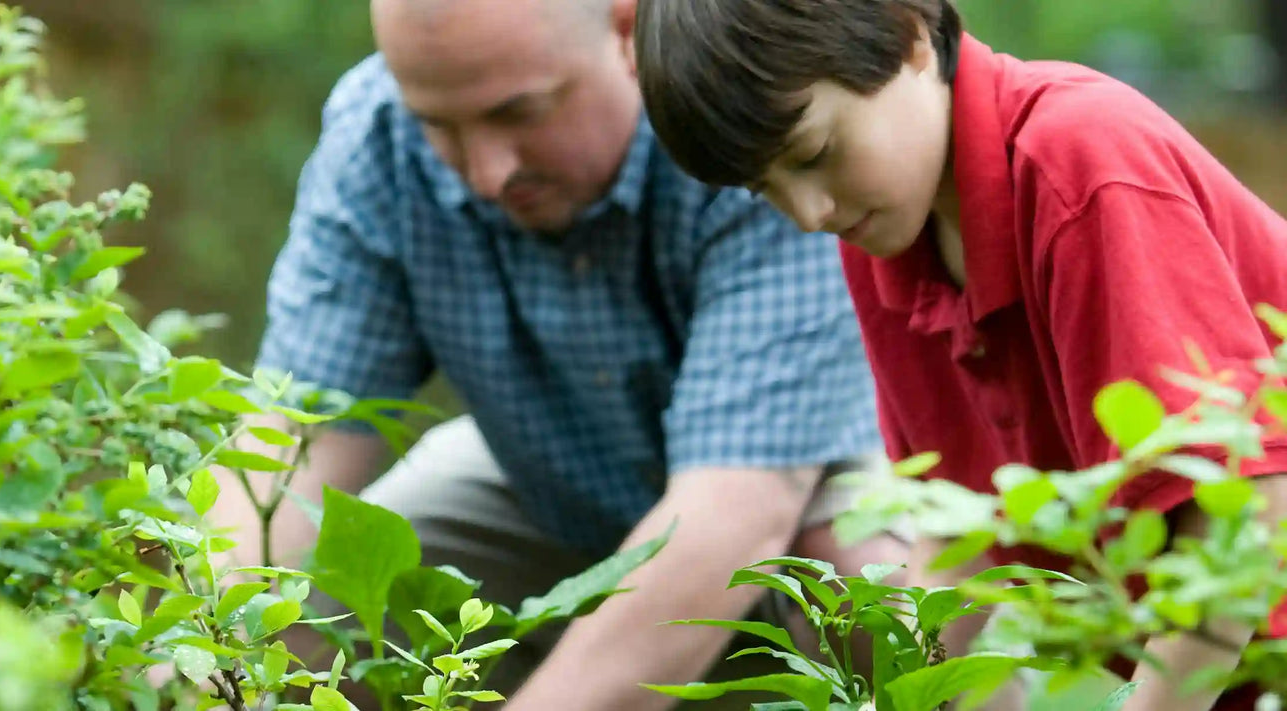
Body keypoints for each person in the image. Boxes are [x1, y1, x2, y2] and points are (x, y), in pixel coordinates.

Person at [195, 0, 910, 708]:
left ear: (627, 30)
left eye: (519, 112)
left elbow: (733, 512)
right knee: (321, 605)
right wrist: (190, 656)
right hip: (550, 477)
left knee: (867, 588)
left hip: (802, 470)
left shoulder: (739, 120)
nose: (484, 172)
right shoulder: (377, 135)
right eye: (438, 125)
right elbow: (290, 440)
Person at [631, 1, 1287, 709]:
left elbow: (1245, 513)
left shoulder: (1079, 163)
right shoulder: (885, 241)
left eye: (815, 153)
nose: (809, 214)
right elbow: (962, 537)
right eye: (766, 189)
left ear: (908, 36)